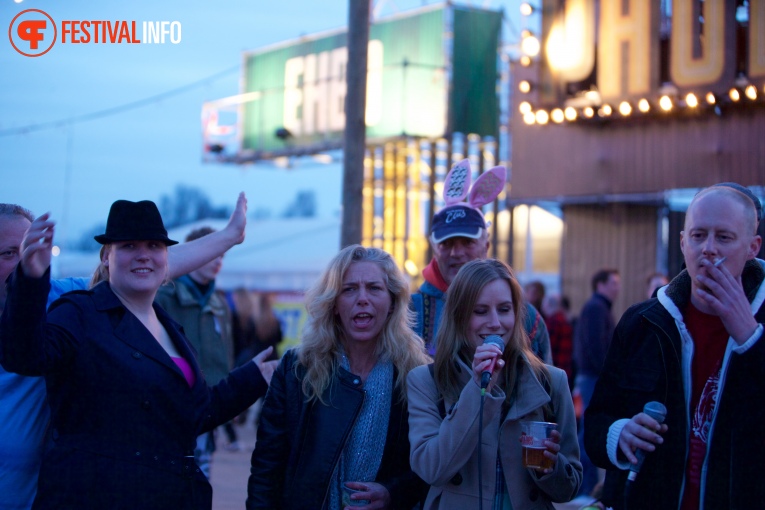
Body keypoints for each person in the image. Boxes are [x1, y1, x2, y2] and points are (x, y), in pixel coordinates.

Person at [0, 199, 276, 510]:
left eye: (155, 246)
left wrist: (253, 377)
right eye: (128, 245)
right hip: (95, 496)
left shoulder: (169, 327)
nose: (143, 254)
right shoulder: (78, 309)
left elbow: (193, 414)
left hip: (167, 494)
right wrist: (31, 275)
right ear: (106, 257)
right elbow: (25, 355)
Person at [584, 183, 764, 509]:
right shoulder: (644, 321)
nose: (708, 248)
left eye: (723, 237)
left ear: (753, 247)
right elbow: (595, 425)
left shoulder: (759, 324)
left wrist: (751, 339)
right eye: (698, 235)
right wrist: (619, 434)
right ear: (683, 243)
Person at [246, 245, 430, 509]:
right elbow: (267, 468)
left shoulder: (415, 373)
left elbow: (429, 467)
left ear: (392, 303)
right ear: (333, 304)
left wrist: (393, 493)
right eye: (349, 289)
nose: (362, 298)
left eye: (374, 288)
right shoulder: (298, 369)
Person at [407, 259, 581, 509]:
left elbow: (570, 487)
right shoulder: (426, 381)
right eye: (480, 311)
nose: (495, 323)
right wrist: (476, 390)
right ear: (459, 316)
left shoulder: (551, 381)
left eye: (504, 309)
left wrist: (550, 467)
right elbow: (432, 469)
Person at [411, 159, 551, 363]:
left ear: (486, 246)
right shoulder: (410, 313)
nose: (456, 253)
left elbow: (543, 384)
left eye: (467, 242)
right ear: (434, 248)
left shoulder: (524, 316)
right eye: (447, 243)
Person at [155, 226, 236, 477]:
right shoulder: (164, 297)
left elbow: (228, 352)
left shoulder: (219, 303)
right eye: (213, 253)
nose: (218, 261)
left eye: (222, 255)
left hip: (210, 408)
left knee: (201, 480)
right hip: (170, 412)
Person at [572, 268, 620, 497]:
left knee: (588, 431)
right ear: (600, 285)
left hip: (592, 377)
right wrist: (607, 375)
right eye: (613, 283)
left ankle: (586, 486)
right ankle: (584, 487)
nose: (617, 288)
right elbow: (595, 346)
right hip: (594, 378)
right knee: (588, 433)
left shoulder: (599, 308)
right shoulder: (596, 308)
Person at [542, 292, 574, 388]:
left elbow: (548, 349)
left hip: (554, 372)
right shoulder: (564, 320)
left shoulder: (552, 322)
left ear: (548, 305)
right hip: (565, 371)